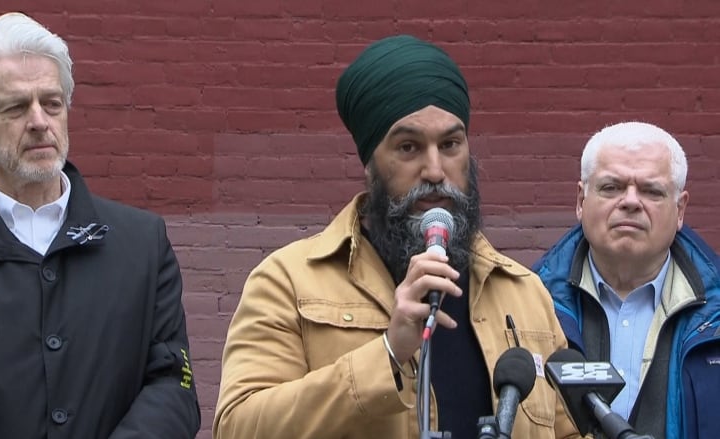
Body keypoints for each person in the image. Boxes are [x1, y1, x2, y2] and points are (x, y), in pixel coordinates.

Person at [213, 35, 579, 439]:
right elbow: (238, 427)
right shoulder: (288, 281)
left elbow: (567, 430)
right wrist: (388, 352)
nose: (436, 170)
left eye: (451, 144)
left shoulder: (525, 292)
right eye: (409, 147)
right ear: (370, 163)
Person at [0, 12, 200, 438]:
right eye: (16, 107)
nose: (40, 121)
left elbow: (174, 383)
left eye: (52, 103)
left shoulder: (141, 244)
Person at [534, 121, 720, 439]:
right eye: (611, 187)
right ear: (580, 201)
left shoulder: (715, 315)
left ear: (680, 210)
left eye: (651, 191)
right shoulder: (531, 302)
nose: (631, 201)